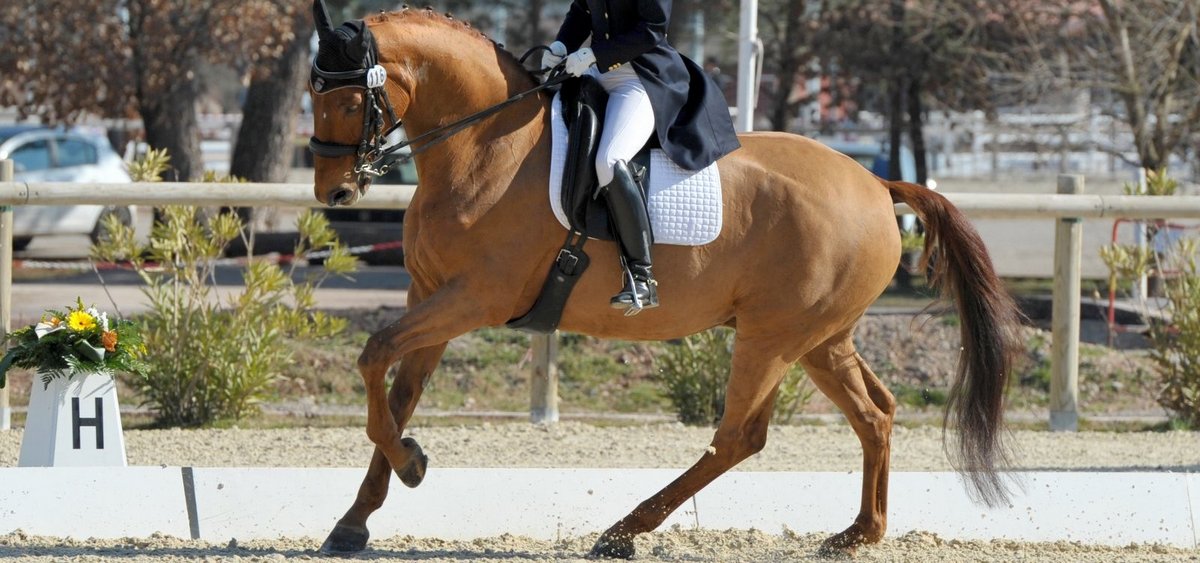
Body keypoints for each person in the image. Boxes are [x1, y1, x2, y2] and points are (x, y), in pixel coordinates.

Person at [542, 0, 740, 315]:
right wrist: (561, 44)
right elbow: (582, 10)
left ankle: (641, 275)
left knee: (609, 160)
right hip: (595, 76)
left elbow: (652, 30)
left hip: (639, 81)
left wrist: (595, 54)